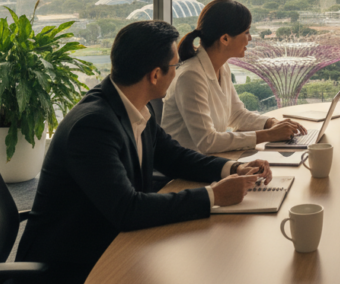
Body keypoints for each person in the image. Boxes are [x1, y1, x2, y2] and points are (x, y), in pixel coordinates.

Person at [16, 21, 273, 284]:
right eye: (174, 66)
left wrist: (233, 168)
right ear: (154, 75)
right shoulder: (93, 126)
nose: (177, 72)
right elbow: (127, 210)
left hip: (111, 239)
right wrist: (214, 195)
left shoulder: (134, 105)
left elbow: (174, 156)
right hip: (71, 264)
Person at [161, 0, 305, 154]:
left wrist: (272, 123)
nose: (250, 38)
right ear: (225, 39)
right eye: (246, 32)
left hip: (210, 162)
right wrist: (269, 134)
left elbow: (236, 115)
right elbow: (207, 142)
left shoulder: (222, 67)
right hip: (183, 172)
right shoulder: (190, 76)